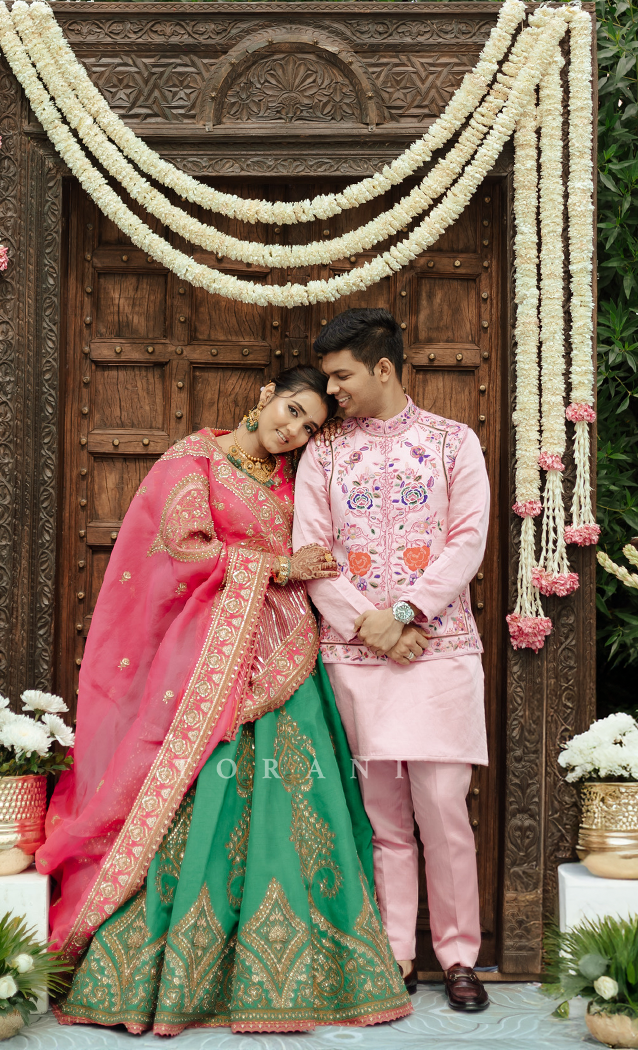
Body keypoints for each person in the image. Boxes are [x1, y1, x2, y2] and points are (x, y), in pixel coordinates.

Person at [35, 365, 412, 1036]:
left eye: (308, 427)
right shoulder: (194, 462)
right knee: (200, 799)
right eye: (291, 411)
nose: (292, 430)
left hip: (288, 658)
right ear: (266, 396)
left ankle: (306, 975)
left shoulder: (296, 477)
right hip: (208, 662)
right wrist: (278, 566)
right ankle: (177, 975)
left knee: (301, 806)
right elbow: (181, 551)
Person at [292, 310, 491, 1012]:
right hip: (356, 657)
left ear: (383, 368)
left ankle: (459, 956)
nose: (332, 390)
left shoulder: (453, 442)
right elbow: (311, 553)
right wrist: (371, 627)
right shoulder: (323, 454)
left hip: (440, 652)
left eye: (342, 375)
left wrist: (406, 614)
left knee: (444, 810)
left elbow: (467, 541)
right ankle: (396, 953)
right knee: (383, 817)